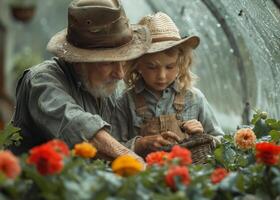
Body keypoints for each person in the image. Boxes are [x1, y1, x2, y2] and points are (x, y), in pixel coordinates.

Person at [9, 0, 151, 163]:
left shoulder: (103, 89)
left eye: (124, 60)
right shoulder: (41, 81)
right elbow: (78, 126)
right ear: (79, 59)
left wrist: (140, 144)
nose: (120, 73)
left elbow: (109, 147)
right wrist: (134, 161)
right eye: (108, 62)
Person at [111, 12, 224, 157]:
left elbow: (221, 140)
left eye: (170, 67)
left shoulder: (195, 98)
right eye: (152, 67)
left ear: (181, 63)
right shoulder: (126, 102)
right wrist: (139, 145)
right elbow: (112, 147)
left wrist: (202, 137)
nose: (161, 76)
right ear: (137, 64)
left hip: (189, 175)